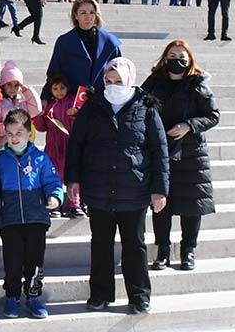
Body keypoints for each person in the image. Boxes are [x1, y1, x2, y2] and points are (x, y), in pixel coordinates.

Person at [65, 58, 169, 314]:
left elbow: (159, 150)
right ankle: (100, 293)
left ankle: (139, 296)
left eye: (118, 81)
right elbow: (76, 145)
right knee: (100, 243)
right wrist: (73, 178)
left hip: (133, 189)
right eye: (108, 81)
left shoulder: (145, 107)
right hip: (98, 188)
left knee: (134, 245)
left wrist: (160, 189)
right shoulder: (92, 106)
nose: (112, 85)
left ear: (130, 80)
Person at [142, 40, 219, 271]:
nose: (177, 60)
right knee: (161, 203)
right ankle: (163, 251)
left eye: (182, 56)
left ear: (190, 59)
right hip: (161, 151)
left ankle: (188, 250)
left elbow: (213, 115)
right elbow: (140, 107)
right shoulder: (154, 82)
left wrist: (189, 125)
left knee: (192, 204)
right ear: (165, 59)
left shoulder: (197, 83)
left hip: (191, 153)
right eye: (172, 56)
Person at [0, 108, 64, 319]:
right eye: (9, 134)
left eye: (19, 133)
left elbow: (52, 182)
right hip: (10, 219)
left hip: (36, 218)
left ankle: (33, 297)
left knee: (34, 261)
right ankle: (12, 297)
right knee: (12, 261)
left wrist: (55, 197)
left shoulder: (40, 158)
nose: (14, 138)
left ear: (29, 133)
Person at [43, 0, 123, 100]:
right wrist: (45, 97)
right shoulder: (64, 42)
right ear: (76, 15)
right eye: (83, 13)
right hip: (72, 101)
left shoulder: (110, 42)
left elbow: (120, 73)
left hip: (103, 100)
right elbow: (53, 72)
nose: (88, 17)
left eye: (92, 12)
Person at [32, 75, 81, 216]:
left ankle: (75, 204)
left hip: (69, 145)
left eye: (62, 88)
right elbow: (42, 127)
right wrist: (38, 115)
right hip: (53, 146)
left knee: (72, 175)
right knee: (54, 175)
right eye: (55, 88)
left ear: (68, 88)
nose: (59, 91)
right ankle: (55, 203)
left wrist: (74, 114)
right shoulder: (49, 106)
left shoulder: (72, 102)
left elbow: (79, 123)